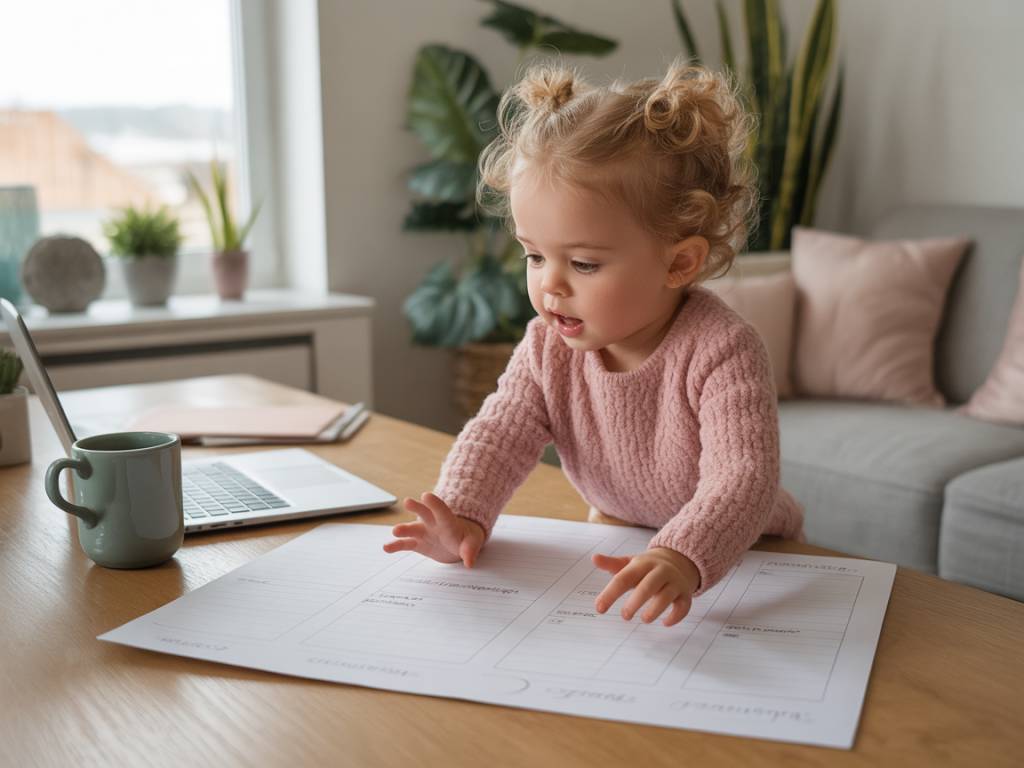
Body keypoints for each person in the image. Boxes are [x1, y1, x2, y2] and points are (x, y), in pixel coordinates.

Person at [384, 59, 804, 627]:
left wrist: (681, 556)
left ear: (679, 263)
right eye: (535, 255)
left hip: (748, 555)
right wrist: (462, 514)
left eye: (583, 263)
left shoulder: (724, 350)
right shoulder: (546, 347)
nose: (549, 284)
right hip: (622, 536)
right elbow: (499, 434)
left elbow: (743, 480)